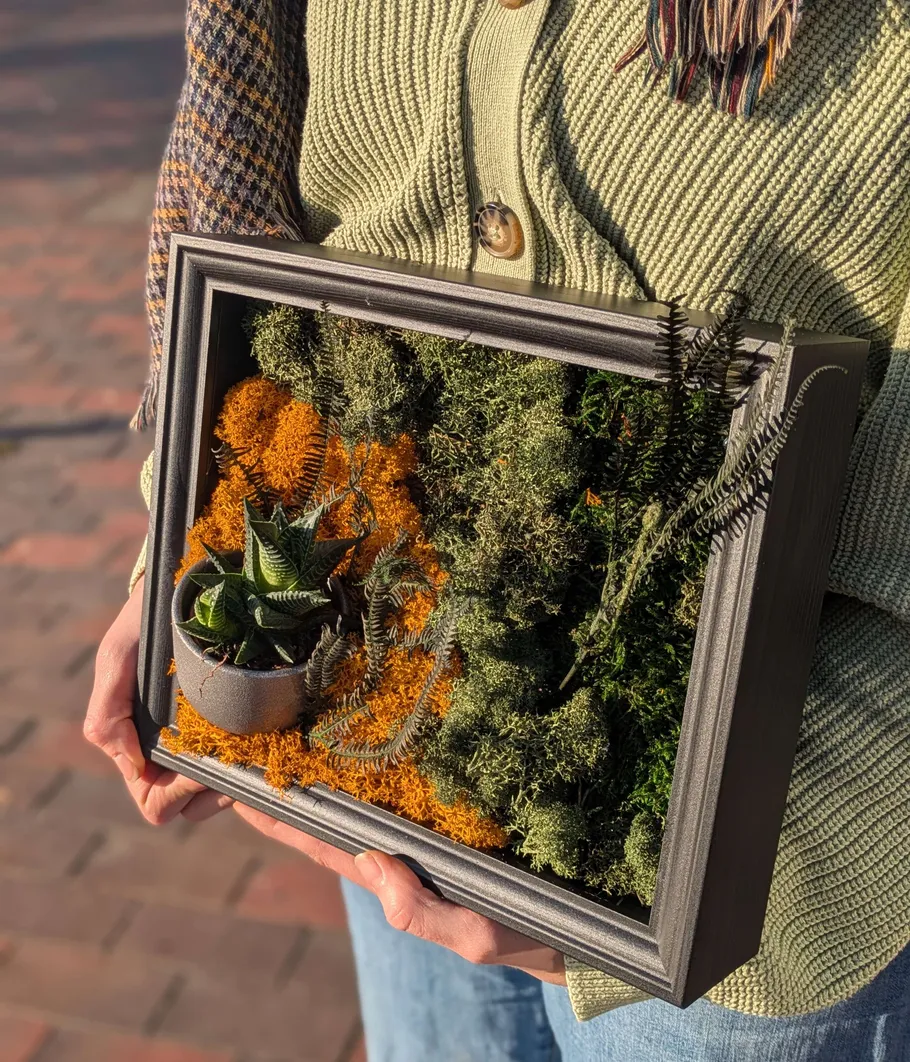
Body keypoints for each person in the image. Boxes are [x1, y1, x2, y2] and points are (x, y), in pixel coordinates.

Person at [85, 1, 910, 1058]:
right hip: (381, 760)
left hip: (757, 888)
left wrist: (719, 879)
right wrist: (185, 546)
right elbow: (246, 183)